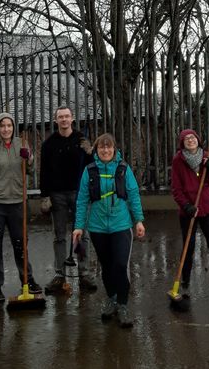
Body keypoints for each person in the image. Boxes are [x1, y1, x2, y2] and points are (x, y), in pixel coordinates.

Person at [72, 133, 145, 328]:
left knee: (120, 265)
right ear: (96, 149)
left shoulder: (123, 169)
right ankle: (111, 299)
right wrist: (78, 226)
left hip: (121, 225)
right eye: (102, 147)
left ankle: (122, 305)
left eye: (109, 147)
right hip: (97, 227)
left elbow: (133, 194)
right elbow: (82, 200)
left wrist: (138, 220)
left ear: (114, 149)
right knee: (107, 266)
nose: (105, 150)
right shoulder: (90, 171)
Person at [0, 112, 43, 302]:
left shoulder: (22, 143)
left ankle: (27, 280)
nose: (6, 129)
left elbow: (30, 170)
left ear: (13, 127)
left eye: (9, 125)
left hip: (17, 202)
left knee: (21, 244)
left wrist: (28, 157)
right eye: (2, 126)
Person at [39, 106, 97, 295]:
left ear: (72, 119)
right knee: (59, 236)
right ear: (56, 121)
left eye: (67, 116)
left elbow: (92, 166)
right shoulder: (49, 144)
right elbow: (44, 171)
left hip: (80, 193)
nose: (64, 120)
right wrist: (45, 195)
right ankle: (59, 275)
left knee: (82, 234)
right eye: (60, 117)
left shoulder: (81, 140)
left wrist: (90, 153)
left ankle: (84, 273)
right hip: (57, 195)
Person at [171, 129, 209, 298]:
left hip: (206, 208)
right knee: (188, 247)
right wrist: (187, 206)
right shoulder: (178, 161)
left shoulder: (207, 157)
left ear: (198, 139)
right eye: (186, 138)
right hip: (188, 210)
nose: (190, 140)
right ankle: (185, 283)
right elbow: (176, 189)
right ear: (182, 143)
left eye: (193, 137)